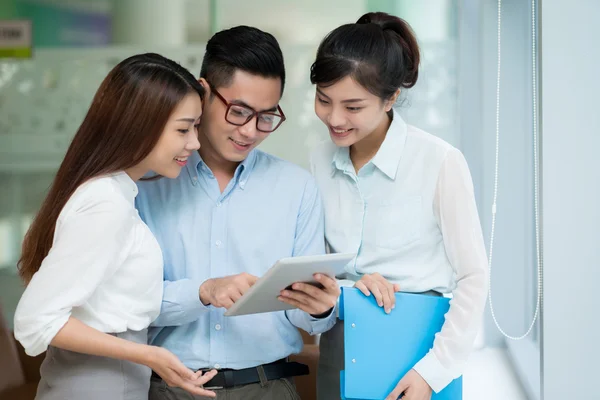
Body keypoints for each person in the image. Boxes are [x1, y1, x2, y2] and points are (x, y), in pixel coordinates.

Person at [135, 26, 340, 400]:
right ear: (203, 92)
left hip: (269, 387)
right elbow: (129, 300)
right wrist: (203, 291)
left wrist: (319, 309)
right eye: (239, 111)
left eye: (266, 116)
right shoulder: (147, 185)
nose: (250, 131)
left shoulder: (297, 188)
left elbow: (302, 314)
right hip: (169, 388)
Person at [13, 53, 218, 400]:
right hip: (99, 384)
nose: (194, 143)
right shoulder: (105, 202)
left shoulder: (113, 193)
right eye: (183, 129)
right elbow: (36, 319)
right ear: (139, 124)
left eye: (196, 127)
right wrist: (148, 354)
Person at [309, 12, 489, 400]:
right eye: (324, 100)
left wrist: (433, 372)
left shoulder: (439, 161)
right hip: (340, 343)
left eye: (353, 107)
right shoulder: (319, 161)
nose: (334, 118)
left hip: (417, 351)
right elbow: (315, 268)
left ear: (391, 98)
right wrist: (350, 287)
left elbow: (473, 277)